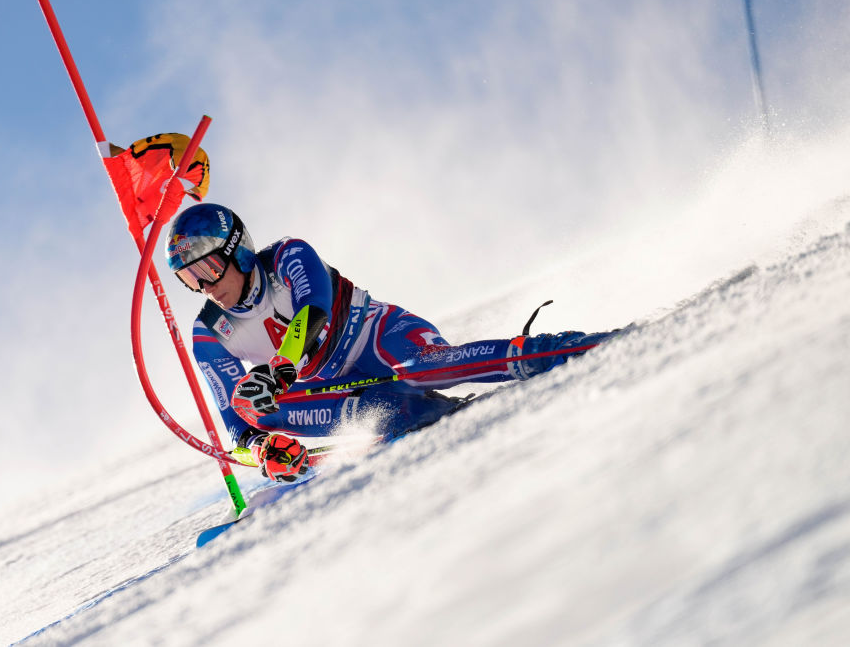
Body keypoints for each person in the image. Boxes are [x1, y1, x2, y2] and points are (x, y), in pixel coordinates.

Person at [167, 203, 614, 482]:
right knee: (255, 405)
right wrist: (264, 450)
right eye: (188, 278)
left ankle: (556, 351)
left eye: (207, 269)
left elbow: (314, 307)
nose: (204, 287)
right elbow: (236, 426)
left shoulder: (287, 255)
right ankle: (413, 413)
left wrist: (283, 364)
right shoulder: (209, 333)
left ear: (237, 252)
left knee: (424, 368)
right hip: (336, 387)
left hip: (378, 337)